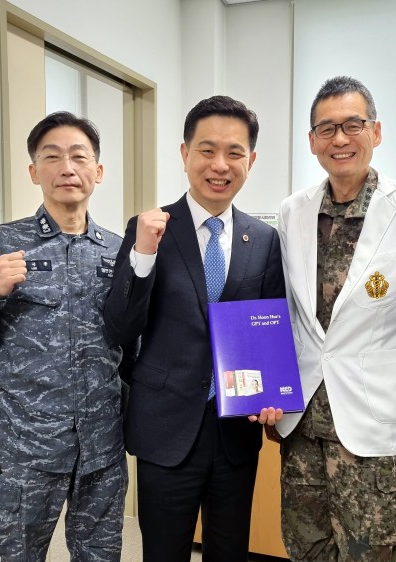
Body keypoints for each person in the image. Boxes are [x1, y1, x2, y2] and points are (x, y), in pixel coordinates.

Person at [276, 76, 396, 561]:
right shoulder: (293, 211)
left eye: (353, 125)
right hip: (304, 429)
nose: (340, 138)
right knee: (306, 550)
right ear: (312, 141)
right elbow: (287, 314)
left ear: (375, 132)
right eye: (327, 128)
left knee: (370, 554)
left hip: (374, 436)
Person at [0, 112, 127, 561]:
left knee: (101, 556)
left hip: (102, 446)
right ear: (34, 171)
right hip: (27, 447)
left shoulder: (119, 251)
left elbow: (134, 342)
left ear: (98, 170)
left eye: (79, 157)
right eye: (52, 157)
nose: (67, 168)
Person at [103, 95, 285, 562]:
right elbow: (121, 326)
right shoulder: (149, 229)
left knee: (230, 551)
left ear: (251, 161)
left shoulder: (264, 240)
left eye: (234, 153)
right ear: (185, 154)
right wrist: (143, 255)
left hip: (235, 429)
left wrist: (272, 394)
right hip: (165, 426)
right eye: (207, 150)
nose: (219, 165)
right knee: (164, 552)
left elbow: (268, 329)